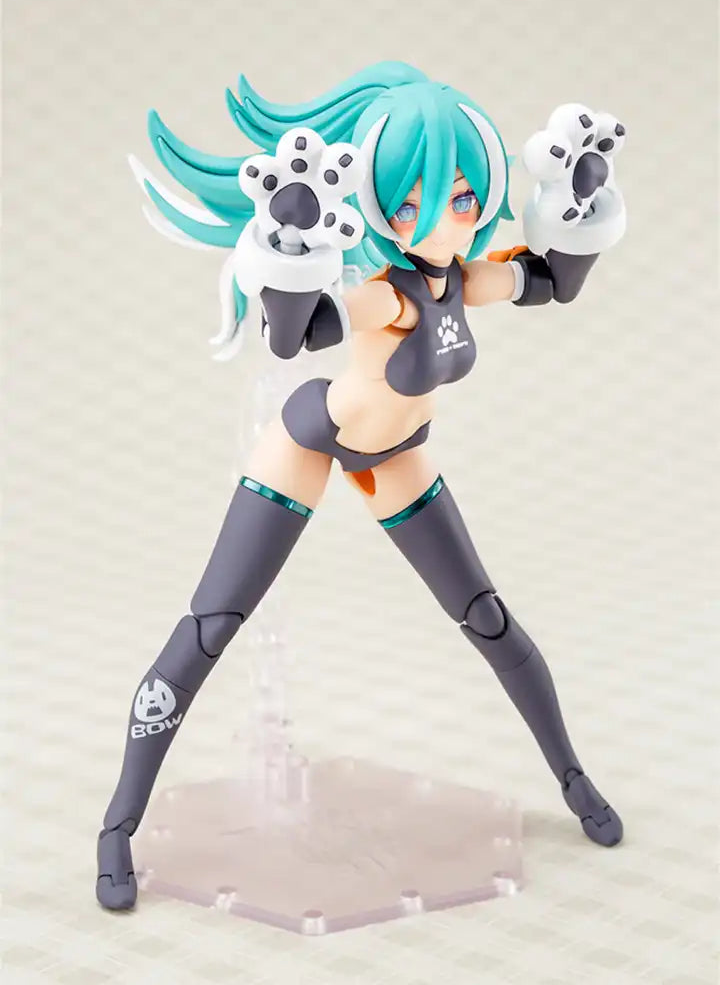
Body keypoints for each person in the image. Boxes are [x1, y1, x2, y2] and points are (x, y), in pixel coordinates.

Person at [97, 62, 626, 910]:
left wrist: (580, 199)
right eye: (411, 205)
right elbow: (297, 333)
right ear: (378, 207)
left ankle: (573, 779)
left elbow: (553, 280)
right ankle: (118, 827)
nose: (441, 221)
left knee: (488, 619)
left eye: (460, 197)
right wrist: (290, 246)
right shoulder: (385, 296)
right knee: (210, 628)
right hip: (312, 438)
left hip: (398, 451)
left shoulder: (465, 279)